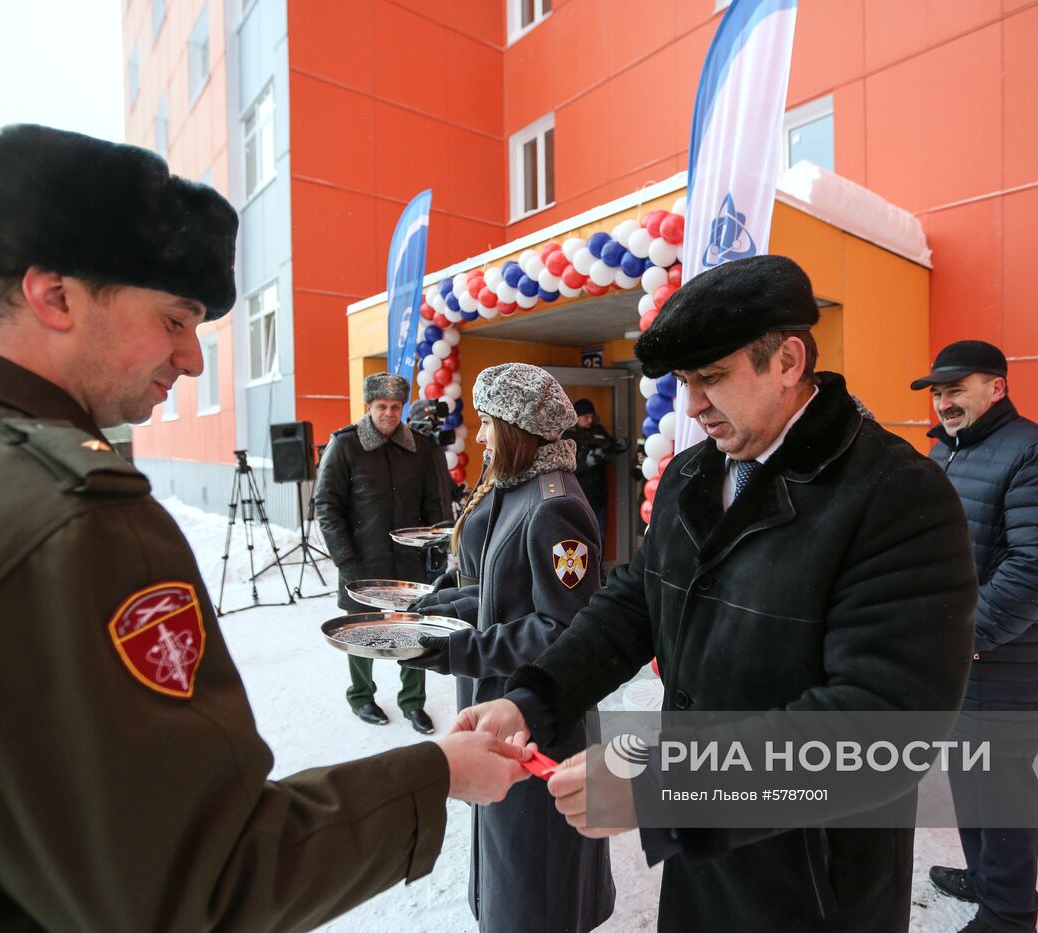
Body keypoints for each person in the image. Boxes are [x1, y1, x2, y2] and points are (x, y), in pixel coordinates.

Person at [0, 124, 531, 931]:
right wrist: (434, 776)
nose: (192, 360)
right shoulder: (77, 522)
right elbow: (203, 878)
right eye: (174, 320)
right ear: (54, 296)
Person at [456, 254, 980, 931]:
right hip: (704, 862)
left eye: (712, 378)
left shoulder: (895, 494)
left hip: (816, 882)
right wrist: (534, 695)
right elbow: (636, 602)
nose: (692, 405)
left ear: (789, 361)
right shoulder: (694, 473)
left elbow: (886, 721)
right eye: (682, 381)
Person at [401, 363, 616, 933]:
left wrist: (457, 651)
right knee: (507, 864)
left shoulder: (554, 506)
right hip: (503, 703)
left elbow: (562, 629)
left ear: (517, 428)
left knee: (534, 882)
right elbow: (499, 596)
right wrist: (436, 618)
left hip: (538, 719)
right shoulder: (516, 489)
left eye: (488, 423)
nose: (480, 436)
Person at [911, 340, 1038, 933]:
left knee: (1002, 783)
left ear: (998, 387)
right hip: (957, 656)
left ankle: (1010, 914)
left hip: (1005, 660)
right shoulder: (949, 455)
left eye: (956, 388)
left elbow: (1036, 570)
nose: (943, 402)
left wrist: (965, 637)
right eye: (937, 392)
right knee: (968, 770)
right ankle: (985, 876)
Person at [315, 372, 451, 733]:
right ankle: (361, 696)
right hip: (363, 561)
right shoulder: (345, 445)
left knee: (415, 634)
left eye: (395, 407)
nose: (389, 413)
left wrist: (437, 552)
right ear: (369, 407)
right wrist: (346, 560)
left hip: (411, 563)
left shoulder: (422, 448)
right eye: (381, 407)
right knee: (361, 630)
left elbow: (437, 504)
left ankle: (413, 702)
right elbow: (326, 505)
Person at [563, 397, 627, 538]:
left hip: (598, 495)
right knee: (579, 535)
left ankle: (598, 561)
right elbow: (565, 466)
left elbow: (609, 447)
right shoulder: (568, 436)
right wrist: (587, 463)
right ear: (576, 416)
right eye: (586, 417)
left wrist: (618, 446)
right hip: (578, 495)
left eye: (592, 416)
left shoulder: (598, 430)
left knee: (600, 535)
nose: (590, 420)